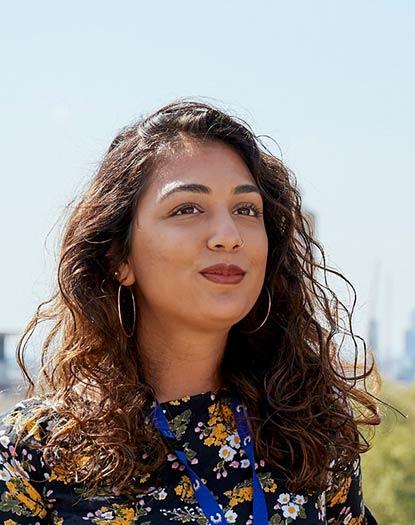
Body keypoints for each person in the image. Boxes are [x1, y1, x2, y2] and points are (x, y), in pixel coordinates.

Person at [0, 101, 380, 524]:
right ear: (118, 257)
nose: (228, 235)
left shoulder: (313, 434)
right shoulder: (35, 454)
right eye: (187, 209)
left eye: (246, 210)